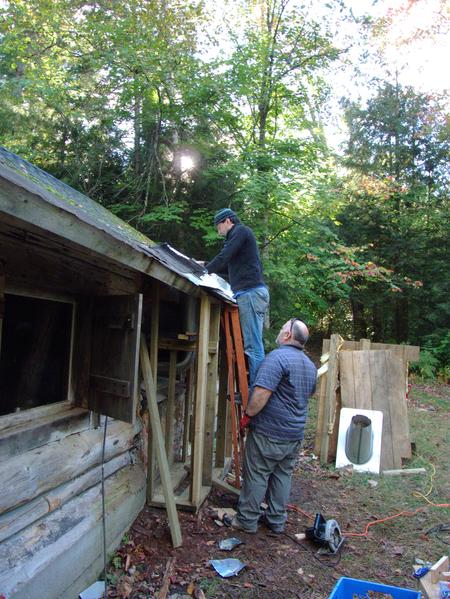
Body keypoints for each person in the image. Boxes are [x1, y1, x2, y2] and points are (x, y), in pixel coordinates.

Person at [231, 318, 317, 534]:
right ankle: (276, 520)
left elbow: (261, 394)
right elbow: (307, 395)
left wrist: (247, 416)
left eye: (281, 329)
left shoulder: (277, 358)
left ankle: (247, 520)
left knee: (257, 474)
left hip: (270, 433)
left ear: (288, 335)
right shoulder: (309, 365)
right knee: (282, 475)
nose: (279, 333)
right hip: (294, 435)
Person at [206, 208, 269, 387]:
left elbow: (224, 256)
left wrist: (205, 270)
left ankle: (256, 389)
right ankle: (257, 386)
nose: (218, 231)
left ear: (227, 221)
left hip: (250, 294)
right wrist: (205, 265)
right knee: (254, 343)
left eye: (218, 226)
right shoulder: (240, 238)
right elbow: (229, 268)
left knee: (252, 346)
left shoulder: (240, 231)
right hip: (252, 294)